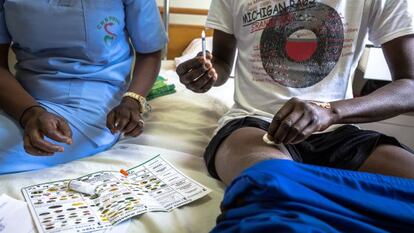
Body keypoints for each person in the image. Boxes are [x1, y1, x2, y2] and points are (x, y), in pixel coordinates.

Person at [177, 1, 414, 231]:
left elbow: (409, 86)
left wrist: (330, 110)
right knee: (270, 187)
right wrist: (206, 72)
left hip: (337, 128)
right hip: (257, 124)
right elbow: (221, 61)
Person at [0, 0, 167, 174]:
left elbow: (149, 52)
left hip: (90, 107)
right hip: (18, 99)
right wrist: (30, 113)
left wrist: (132, 100)